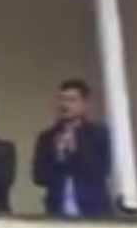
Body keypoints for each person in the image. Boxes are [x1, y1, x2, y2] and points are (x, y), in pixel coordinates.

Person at [33, 79, 113, 217]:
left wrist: (76, 152)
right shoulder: (47, 137)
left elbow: (102, 170)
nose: (65, 105)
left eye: (71, 100)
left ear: (84, 104)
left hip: (93, 210)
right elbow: (39, 177)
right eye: (62, 99)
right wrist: (57, 155)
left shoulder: (98, 134)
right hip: (57, 210)